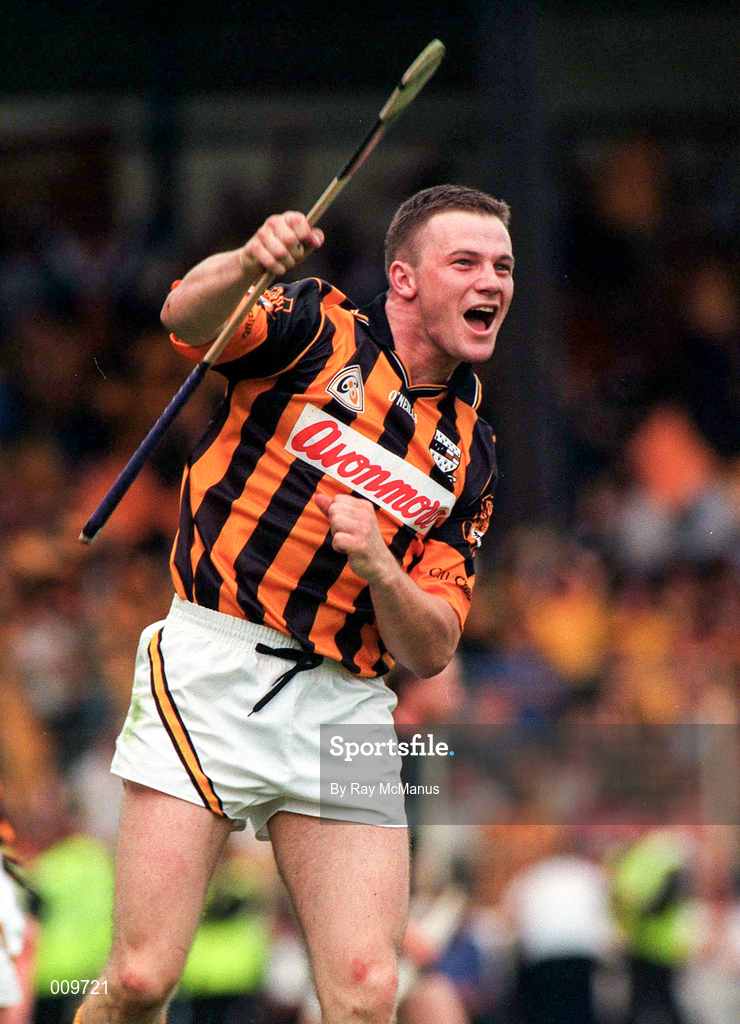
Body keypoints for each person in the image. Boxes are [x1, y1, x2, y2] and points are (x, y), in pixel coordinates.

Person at [75, 183, 515, 1024]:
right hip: (212, 663)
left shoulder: (473, 456)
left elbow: (432, 648)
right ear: (406, 278)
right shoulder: (318, 328)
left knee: (365, 993)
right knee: (140, 979)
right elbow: (188, 315)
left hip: (344, 705)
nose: (490, 281)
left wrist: (384, 570)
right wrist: (247, 262)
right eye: (465, 262)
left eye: (502, 266)